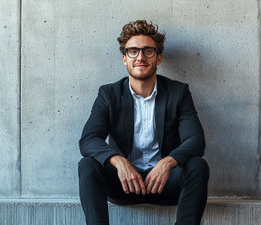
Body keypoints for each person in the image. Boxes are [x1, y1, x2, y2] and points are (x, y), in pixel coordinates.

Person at [78, 20, 210, 225]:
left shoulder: (178, 92)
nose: (140, 57)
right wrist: (118, 161)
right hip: (124, 185)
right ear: (124, 58)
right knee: (87, 165)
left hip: (165, 185)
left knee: (197, 166)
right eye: (133, 51)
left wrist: (168, 163)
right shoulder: (108, 94)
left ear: (158, 58)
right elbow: (88, 140)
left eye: (148, 51)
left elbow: (195, 141)